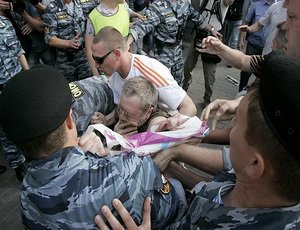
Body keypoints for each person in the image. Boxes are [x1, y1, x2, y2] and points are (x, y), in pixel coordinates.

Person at [96, 52, 300, 229]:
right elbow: (217, 188)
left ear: (255, 164)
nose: (227, 127)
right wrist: (174, 157)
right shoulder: (255, 185)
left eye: (236, 124)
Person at [0, 65, 183, 229]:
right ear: (70, 120)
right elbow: (170, 208)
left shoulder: (27, 195)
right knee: (178, 188)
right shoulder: (128, 168)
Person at [91, 26, 197, 127]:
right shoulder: (113, 73)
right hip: (136, 122)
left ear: (117, 54)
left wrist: (169, 130)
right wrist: (105, 120)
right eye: (93, 58)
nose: (95, 65)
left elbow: (189, 107)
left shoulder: (150, 71)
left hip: (162, 125)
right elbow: (123, 109)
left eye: (99, 60)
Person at [126, 0, 207, 85]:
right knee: (159, 83)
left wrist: (212, 30)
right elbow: (141, 26)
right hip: (161, 54)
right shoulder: (158, 6)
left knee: (177, 82)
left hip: (177, 52)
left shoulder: (184, 4)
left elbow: (198, 18)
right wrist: (127, 44)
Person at [182, 0, 233, 107]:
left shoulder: (223, 2)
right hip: (199, 35)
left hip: (213, 39)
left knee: (209, 76)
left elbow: (229, 1)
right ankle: (185, 86)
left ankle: (207, 99)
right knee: (187, 67)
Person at [0, 7, 29, 181]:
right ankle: (18, 164)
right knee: (6, 130)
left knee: (24, 121)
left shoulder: (5, 23)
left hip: (17, 83)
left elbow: (18, 51)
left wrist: (28, 74)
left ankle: (30, 154)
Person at [96, 77, 170, 136]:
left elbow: (146, 151)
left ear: (148, 112)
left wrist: (118, 140)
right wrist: (102, 120)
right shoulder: (125, 108)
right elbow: (106, 121)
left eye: (128, 114)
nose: (122, 116)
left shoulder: (157, 124)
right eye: (120, 108)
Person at [43, 0, 91, 81]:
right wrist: (68, 43)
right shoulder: (51, 8)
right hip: (65, 59)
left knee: (88, 85)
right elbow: (50, 39)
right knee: (68, 88)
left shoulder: (82, 3)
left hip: (83, 57)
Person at [85, 0, 131, 76]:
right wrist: (96, 74)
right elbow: (89, 49)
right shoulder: (94, 17)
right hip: (105, 71)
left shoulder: (124, 8)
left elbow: (125, 40)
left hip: (123, 69)